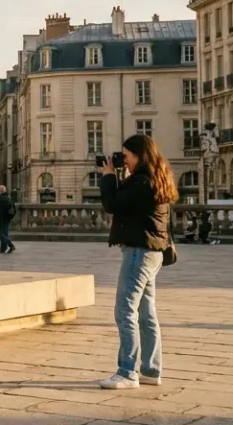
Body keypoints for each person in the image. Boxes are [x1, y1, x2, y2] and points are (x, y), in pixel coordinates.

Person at [97, 134, 177, 390]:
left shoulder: (142, 182)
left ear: (139, 155)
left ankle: (127, 371)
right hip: (152, 252)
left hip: (139, 252)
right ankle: (151, 370)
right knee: (146, 313)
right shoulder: (156, 179)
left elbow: (113, 204)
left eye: (127, 156)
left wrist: (109, 176)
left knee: (125, 310)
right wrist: (117, 176)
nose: (125, 161)